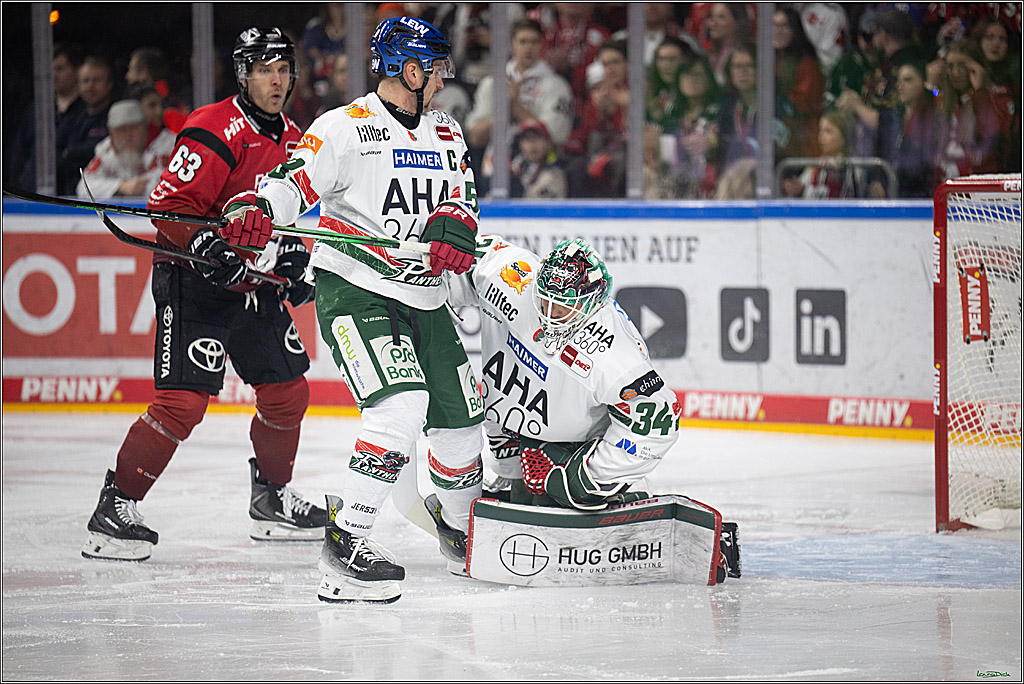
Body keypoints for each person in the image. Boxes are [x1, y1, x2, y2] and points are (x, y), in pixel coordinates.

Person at [240, 16, 486, 604]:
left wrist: (457, 225)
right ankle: (345, 546)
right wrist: (255, 210)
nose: (444, 76)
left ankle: (459, 530)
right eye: (436, 65)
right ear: (410, 68)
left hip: (427, 300)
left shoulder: (447, 132)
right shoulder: (344, 129)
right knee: (400, 412)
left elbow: (464, 202)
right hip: (360, 292)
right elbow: (291, 182)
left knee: (461, 432)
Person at [81, 28, 326, 563]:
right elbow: (168, 209)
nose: (277, 79)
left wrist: (297, 259)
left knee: (288, 391)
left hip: (251, 283)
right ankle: (115, 506)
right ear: (243, 74)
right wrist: (208, 242)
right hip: (192, 279)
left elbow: (298, 218)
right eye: (264, 69)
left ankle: (271, 499)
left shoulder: (297, 139)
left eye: (284, 68)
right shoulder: (214, 125)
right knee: (182, 404)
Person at [446, 235, 680, 514]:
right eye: (546, 300)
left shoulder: (612, 351)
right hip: (517, 434)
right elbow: (461, 254)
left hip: (578, 448)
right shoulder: (510, 279)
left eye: (564, 307)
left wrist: (582, 479)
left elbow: (659, 423)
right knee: (522, 494)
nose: (550, 314)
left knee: (558, 497)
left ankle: (614, 494)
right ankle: (513, 478)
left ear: (592, 304)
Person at [466, 17, 573, 190]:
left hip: (543, 176)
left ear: (542, 45)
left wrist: (515, 107)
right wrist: (504, 109)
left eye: (534, 42)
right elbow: (475, 138)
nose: (528, 47)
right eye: (523, 41)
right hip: (495, 171)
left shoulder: (556, 85)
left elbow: (555, 135)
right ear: (511, 45)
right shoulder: (492, 83)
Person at [564, 40, 630, 198]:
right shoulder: (597, 96)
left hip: (629, 155)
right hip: (602, 154)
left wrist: (622, 109)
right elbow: (588, 141)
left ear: (627, 65)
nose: (611, 68)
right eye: (606, 64)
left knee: (621, 166)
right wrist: (602, 114)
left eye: (616, 62)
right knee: (577, 167)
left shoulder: (637, 93)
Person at [75, 99, 175, 199]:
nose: (128, 135)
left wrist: (136, 188)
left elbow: (171, 184)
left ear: (145, 127)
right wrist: (120, 186)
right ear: (112, 133)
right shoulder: (106, 149)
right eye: (121, 130)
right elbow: (83, 187)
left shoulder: (168, 144)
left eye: (134, 128)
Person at [55, 55, 114, 195]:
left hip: (102, 195)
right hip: (67, 194)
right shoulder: (72, 117)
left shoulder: (114, 117)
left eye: (97, 80)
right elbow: (55, 155)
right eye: (85, 81)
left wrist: (69, 153)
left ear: (109, 84)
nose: (90, 86)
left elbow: (103, 152)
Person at [774, 6, 825, 159]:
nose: (778, 31)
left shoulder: (806, 63)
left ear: (794, 29)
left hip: (801, 142)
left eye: (784, 26)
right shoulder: (768, 60)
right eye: (774, 26)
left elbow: (802, 104)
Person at [509, 118, 567, 199]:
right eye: (527, 139)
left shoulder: (555, 173)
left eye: (537, 138)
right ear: (520, 144)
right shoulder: (512, 169)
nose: (532, 144)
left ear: (548, 143)